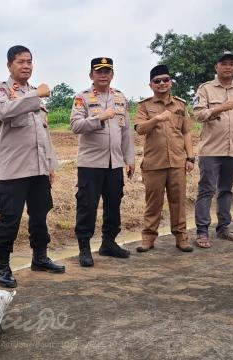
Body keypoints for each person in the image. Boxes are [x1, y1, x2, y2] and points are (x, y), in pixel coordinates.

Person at [0, 45, 65, 288]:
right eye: (21, 61)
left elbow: (44, 133)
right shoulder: (2, 90)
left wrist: (50, 164)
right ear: (10, 65)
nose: (26, 66)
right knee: (9, 219)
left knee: (40, 216)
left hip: (39, 169)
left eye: (29, 62)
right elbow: (4, 112)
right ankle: (2, 266)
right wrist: (36, 96)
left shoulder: (34, 92)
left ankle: (40, 258)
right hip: (14, 170)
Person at [69, 57, 136, 267]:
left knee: (114, 204)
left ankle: (109, 243)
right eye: (99, 71)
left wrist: (130, 158)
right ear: (91, 75)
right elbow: (75, 125)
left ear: (112, 75)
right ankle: (84, 247)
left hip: (114, 163)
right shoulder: (82, 98)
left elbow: (126, 132)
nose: (103, 75)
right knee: (87, 206)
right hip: (90, 163)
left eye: (107, 71)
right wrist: (99, 118)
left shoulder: (120, 98)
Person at [192, 51, 233, 249]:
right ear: (216, 67)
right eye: (223, 63)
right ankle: (202, 231)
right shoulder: (206, 89)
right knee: (206, 190)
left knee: (226, 190)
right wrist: (221, 108)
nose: (228, 67)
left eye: (231, 63)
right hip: (211, 149)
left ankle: (224, 228)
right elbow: (198, 115)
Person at [134, 64, 195, 253]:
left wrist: (190, 157)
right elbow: (140, 129)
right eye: (157, 81)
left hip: (177, 162)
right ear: (151, 84)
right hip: (154, 163)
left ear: (171, 82)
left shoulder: (180, 105)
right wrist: (157, 119)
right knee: (153, 203)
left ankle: (181, 237)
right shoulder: (144, 106)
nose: (162, 83)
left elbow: (186, 133)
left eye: (165, 80)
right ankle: (148, 238)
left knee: (178, 201)